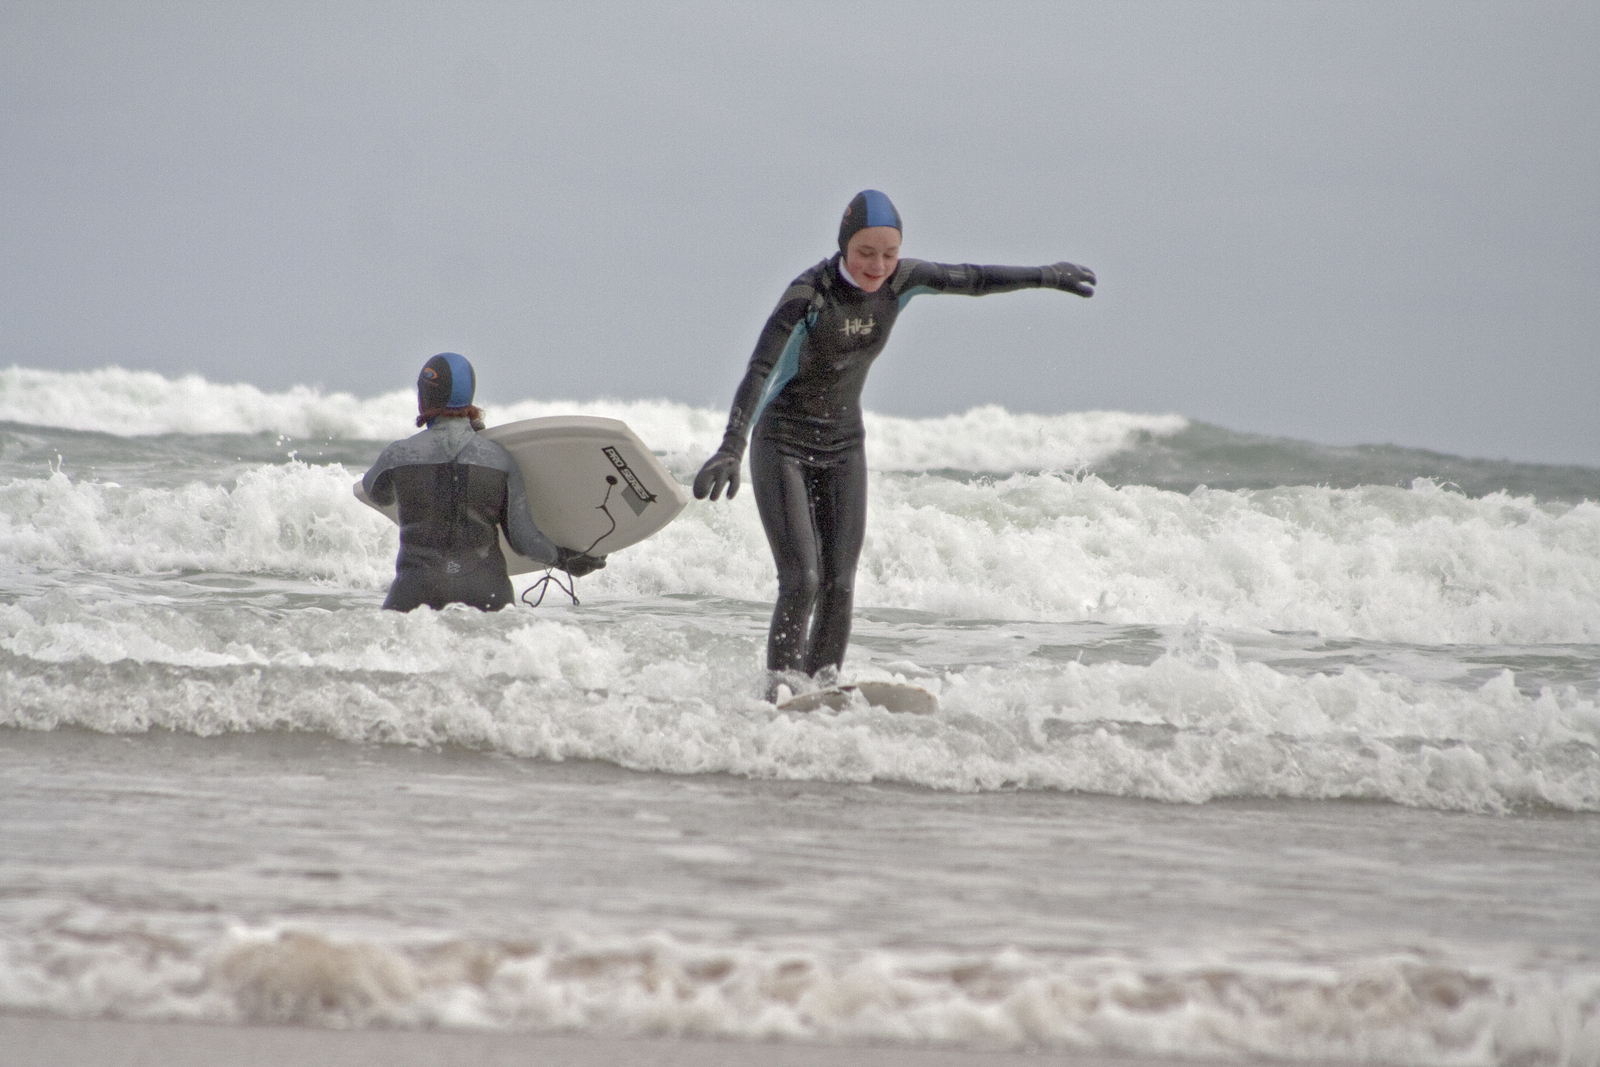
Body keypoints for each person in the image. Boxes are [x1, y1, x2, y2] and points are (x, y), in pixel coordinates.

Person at [693, 190, 1095, 694]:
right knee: (803, 580)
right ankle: (780, 688)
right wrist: (732, 446)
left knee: (840, 582)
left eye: (889, 253)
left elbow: (972, 278)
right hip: (783, 444)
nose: (878, 266)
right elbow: (759, 369)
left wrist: (1045, 275)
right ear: (844, 246)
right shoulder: (808, 295)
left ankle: (819, 690)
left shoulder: (903, 280)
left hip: (844, 445)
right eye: (866, 253)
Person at [363, 353, 605, 612]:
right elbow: (524, 541)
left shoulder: (398, 455)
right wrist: (565, 559)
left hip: (415, 589)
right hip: (487, 590)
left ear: (424, 397)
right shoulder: (499, 459)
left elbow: (377, 494)